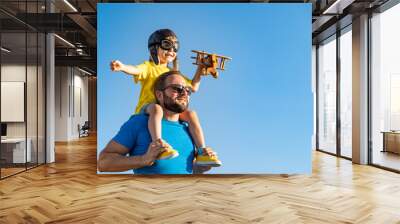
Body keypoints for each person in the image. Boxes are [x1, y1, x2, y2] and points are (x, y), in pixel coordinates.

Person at [110, 28, 220, 166]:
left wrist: (200, 69)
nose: (172, 51)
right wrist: (122, 67)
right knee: (157, 109)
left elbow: (193, 87)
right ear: (154, 48)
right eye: (167, 46)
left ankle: (202, 151)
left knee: (191, 113)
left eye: (175, 48)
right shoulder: (149, 67)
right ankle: (158, 144)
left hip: (168, 109)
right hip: (148, 107)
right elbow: (136, 70)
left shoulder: (172, 73)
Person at [98, 71, 215, 174]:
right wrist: (143, 159)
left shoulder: (189, 128)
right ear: (159, 95)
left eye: (187, 90)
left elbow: (182, 170)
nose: (184, 93)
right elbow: (103, 163)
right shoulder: (140, 122)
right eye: (177, 88)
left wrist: (200, 169)